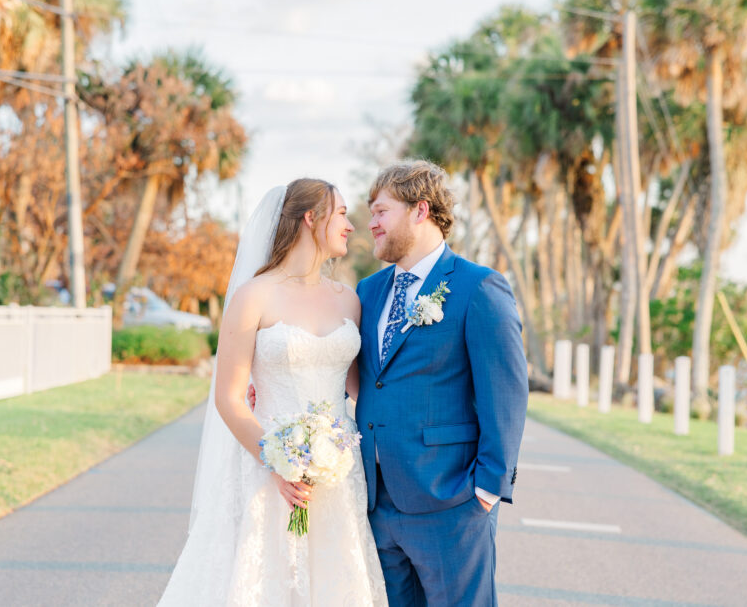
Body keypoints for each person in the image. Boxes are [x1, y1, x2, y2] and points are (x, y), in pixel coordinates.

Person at [157, 179, 387, 606]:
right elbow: (228, 397)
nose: (351, 225)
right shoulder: (253, 297)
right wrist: (275, 460)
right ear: (310, 218)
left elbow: (360, 387)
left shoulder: (349, 300)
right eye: (341, 213)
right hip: (266, 471)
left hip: (337, 474)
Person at [355, 160, 529, 606]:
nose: (370, 223)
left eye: (380, 211)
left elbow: (506, 392)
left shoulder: (479, 288)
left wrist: (487, 490)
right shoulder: (367, 292)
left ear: (420, 210)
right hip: (378, 504)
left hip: (451, 502)